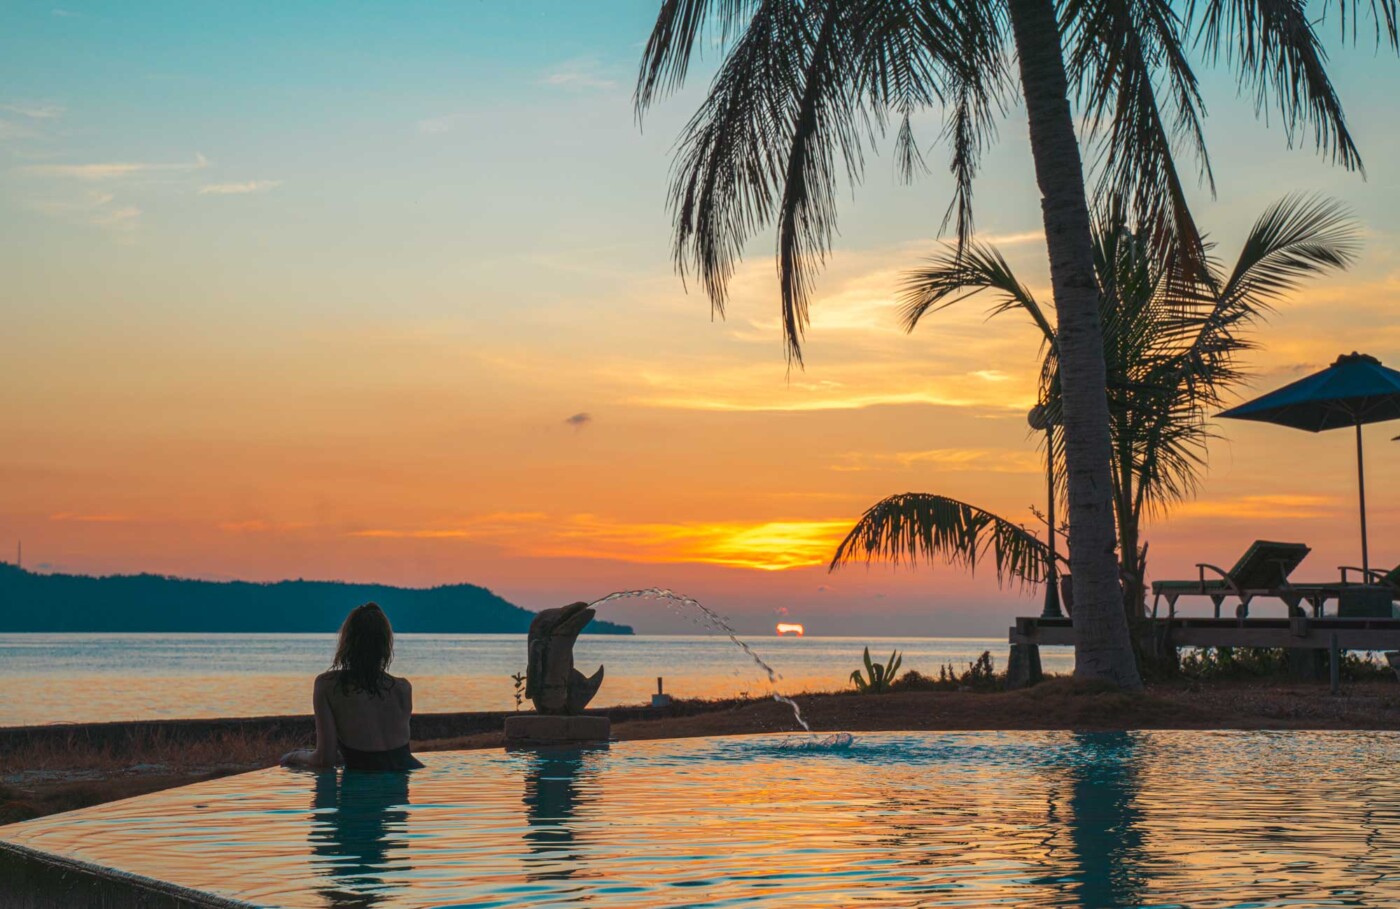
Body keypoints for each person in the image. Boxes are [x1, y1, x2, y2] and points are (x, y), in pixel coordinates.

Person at [281, 602, 424, 771]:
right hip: (405, 777)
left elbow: (325, 759)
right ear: (385, 644)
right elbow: (384, 755)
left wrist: (295, 755)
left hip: (364, 788)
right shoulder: (403, 688)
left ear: (346, 642)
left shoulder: (328, 686)